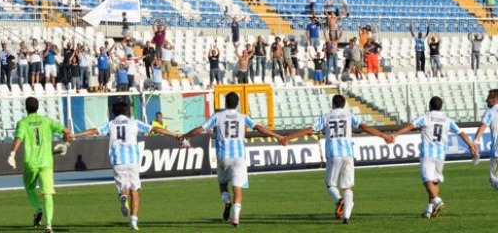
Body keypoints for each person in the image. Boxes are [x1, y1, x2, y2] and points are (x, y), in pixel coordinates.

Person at [71, 101, 181, 231]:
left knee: (123, 189)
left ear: (113, 112)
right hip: (132, 160)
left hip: (118, 161)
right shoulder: (134, 122)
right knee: (134, 191)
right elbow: (154, 129)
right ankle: (133, 221)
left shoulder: (111, 124)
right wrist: (175, 135)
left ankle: (123, 197)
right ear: (127, 111)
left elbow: (94, 131)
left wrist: (75, 135)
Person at [283, 95, 392, 224]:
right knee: (348, 187)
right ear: (344, 104)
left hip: (333, 154)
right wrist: (383, 135)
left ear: (332, 104)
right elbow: (364, 127)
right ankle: (346, 217)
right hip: (348, 154)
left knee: (330, 184)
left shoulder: (327, 116)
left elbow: (309, 130)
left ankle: (339, 200)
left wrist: (288, 138)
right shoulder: (349, 115)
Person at [182, 92, 284, 227]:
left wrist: (185, 136)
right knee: (237, 188)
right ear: (237, 104)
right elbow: (258, 128)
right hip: (238, 157)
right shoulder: (242, 117)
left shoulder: (218, 116)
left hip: (223, 157)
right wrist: (277, 136)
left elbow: (200, 129)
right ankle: (235, 217)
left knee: (223, 184)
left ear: (225, 103)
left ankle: (226, 201)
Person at [391, 96, 477, 219]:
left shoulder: (426, 117)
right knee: (434, 181)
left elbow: (411, 126)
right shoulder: (447, 119)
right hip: (441, 155)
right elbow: (461, 132)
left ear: (430, 105)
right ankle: (429, 210)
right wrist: (471, 146)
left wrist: (395, 134)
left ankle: (437, 201)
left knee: (427, 180)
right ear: (441, 106)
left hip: (427, 153)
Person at [7, 97, 72, 233]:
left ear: (26, 108)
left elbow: (18, 138)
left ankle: (37, 209)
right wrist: (66, 144)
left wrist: (12, 153)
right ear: (38, 107)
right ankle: (49, 226)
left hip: (30, 162)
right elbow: (66, 131)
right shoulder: (46, 121)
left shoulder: (23, 123)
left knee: (30, 188)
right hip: (46, 162)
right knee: (48, 193)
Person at [474, 89, 498, 190]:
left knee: (493, 179)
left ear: (495, 99)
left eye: (488, 98)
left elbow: (483, 126)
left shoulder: (491, 112)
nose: (486, 100)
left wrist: (475, 142)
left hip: (497, 153)